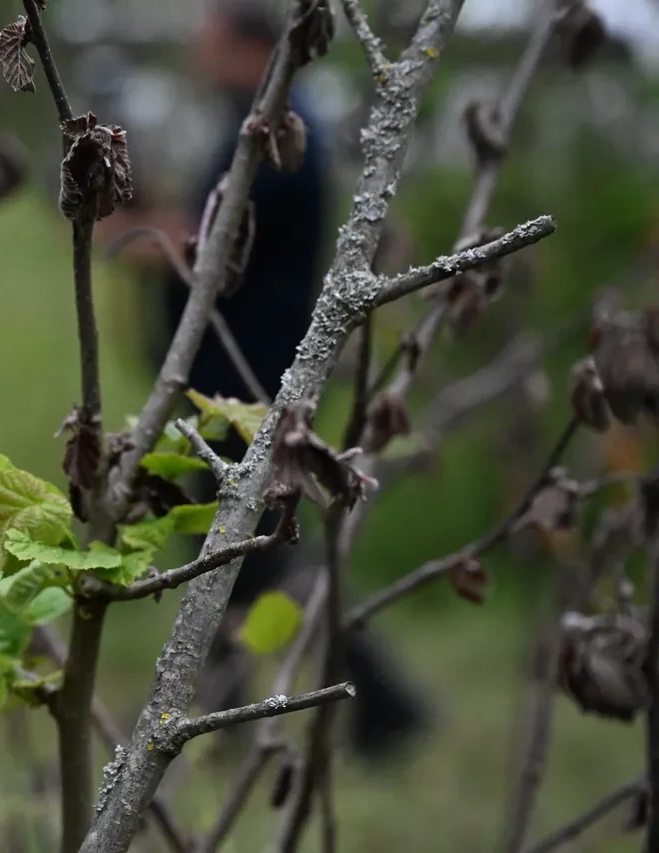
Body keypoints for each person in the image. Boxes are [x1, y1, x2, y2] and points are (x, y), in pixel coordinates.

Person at [100, 0, 429, 761]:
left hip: (245, 383)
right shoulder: (255, 128)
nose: (197, 57)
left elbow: (211, 246)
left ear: (251, 50)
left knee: (246, 554)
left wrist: (124, 234)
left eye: (208, 44)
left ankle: (361, 704)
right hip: (233, 381)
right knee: (243, 557)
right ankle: (227, 716)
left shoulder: (279, 141)